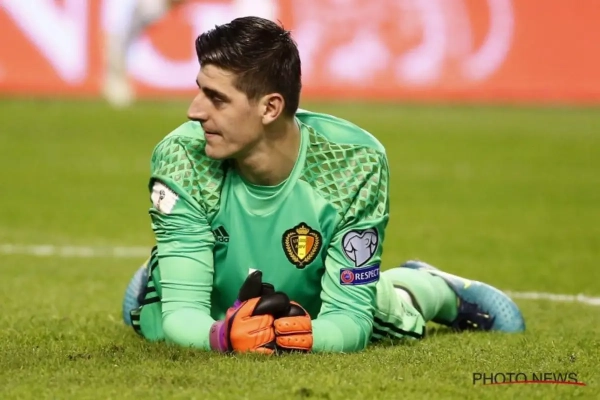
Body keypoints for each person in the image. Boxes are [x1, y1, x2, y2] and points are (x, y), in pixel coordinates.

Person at [122, 16, 525, 354]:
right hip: (213, 302)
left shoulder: (352, 164)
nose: (194, 111)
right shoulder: (182, 157)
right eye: (199, 90)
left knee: (389, 315)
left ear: (270, 107)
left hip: (314, 296)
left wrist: (309, 335)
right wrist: (222, 336)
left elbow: (349, 317)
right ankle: (165, 270)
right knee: (158, 320)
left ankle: (429, 287)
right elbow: (184, 314)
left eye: (217, 98)